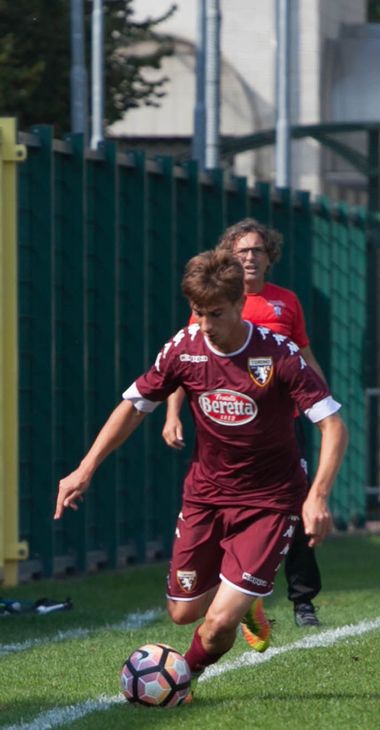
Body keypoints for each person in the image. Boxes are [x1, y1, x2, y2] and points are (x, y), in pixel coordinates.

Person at [55, 249, 348, 698]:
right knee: (182, 612)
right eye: (197, 312)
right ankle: (247, 604)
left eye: (216, 313)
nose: (206, 323)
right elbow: (135, 406)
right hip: (206, 496)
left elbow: (333, 425)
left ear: (239, 304)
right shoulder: (183, 348)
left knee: (216, 627)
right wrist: (85, 467)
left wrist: (318, 496)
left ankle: (182, 676)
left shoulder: (277, 354)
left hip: (270, 500)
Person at [162, 219, 327, 629]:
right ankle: (242, 595)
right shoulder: (213, 306)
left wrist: (323, 401)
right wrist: (172, 414)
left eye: (257, 250)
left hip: (280, 428)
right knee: (220, 520)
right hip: (228, 429)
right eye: (242, 251)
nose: (250, 257)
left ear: (269, 257)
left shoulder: (285, 302)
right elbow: (184, 362)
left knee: (299, 511)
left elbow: (303, 354)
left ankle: (303, 601)